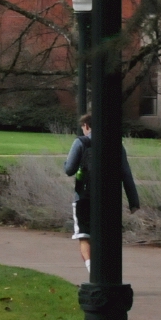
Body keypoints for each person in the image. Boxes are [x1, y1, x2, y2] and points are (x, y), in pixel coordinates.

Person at [64, 113, 140, 274]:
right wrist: (133, 201)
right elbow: (126, 173)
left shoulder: (81, 142)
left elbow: (69, 170)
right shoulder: (116, 145)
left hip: (84, 197)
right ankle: (109, 272)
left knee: (84, 237)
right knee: (107, 237)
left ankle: (93, 270)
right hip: (110, 200)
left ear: (87, 126)